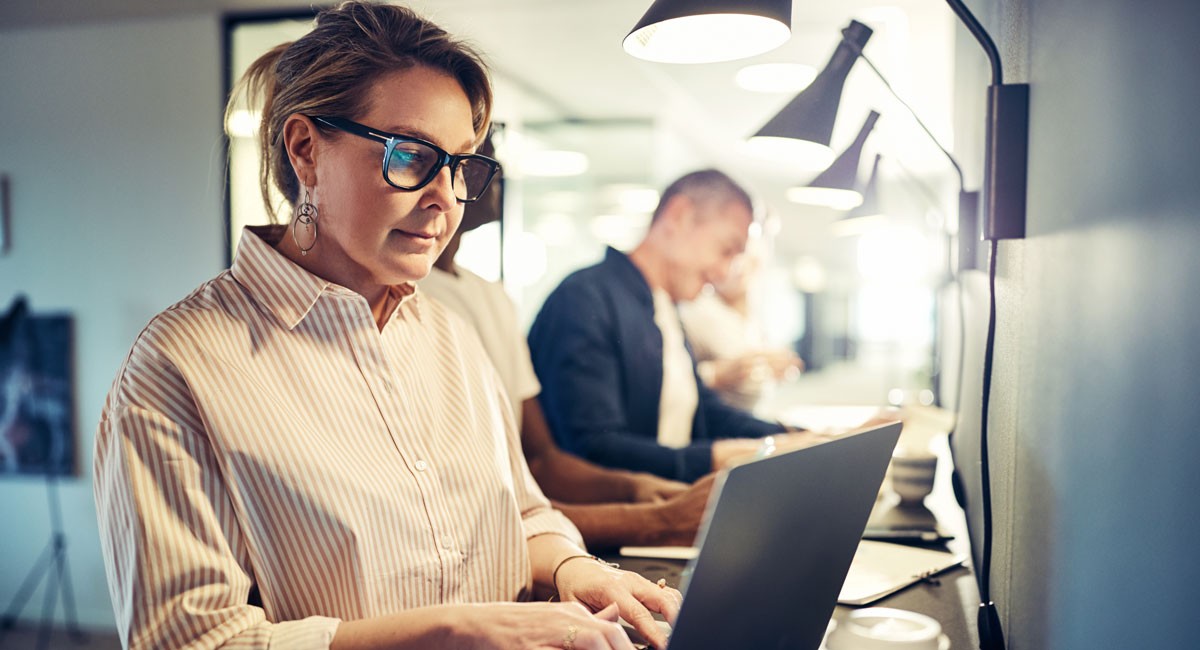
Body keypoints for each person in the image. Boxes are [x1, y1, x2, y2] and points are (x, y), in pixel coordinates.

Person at [93, 4, 678, 649]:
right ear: (306, 150)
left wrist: (576, 567)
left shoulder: (449, 335)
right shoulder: (177, 367)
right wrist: (457, 628)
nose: (446, 198)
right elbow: (192, 642)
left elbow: (521, 512)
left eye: (460, 165)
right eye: (410, 155)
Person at [419, 139, 714, 549]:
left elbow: (540, 460)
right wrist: (655, 519)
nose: (496, 166)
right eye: (481, 150)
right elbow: (468, 505)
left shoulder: (492, 297)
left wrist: (635, 488)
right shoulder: (408, 294)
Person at [528, 169, 827, 483]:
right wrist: (726, 455)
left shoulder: (666, 308)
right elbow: (593, 450)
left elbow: (704, 411)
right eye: (727, 250)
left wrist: (797, 438)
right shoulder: (585, 298)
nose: (726, 273)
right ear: (679, 216)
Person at [678, 242, 803, 413]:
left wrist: (775, 370)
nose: (739, 268)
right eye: (731, 256)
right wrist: (717, 374)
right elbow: (673, 378)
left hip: (752, 417)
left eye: (748, 260)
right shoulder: (696, 311)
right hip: (715, 421)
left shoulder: (755, 314)